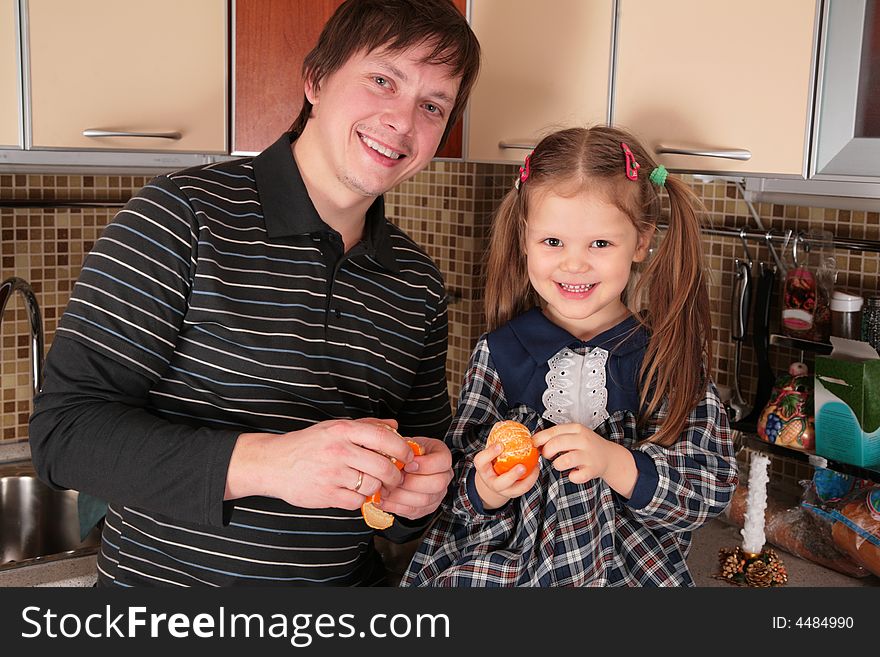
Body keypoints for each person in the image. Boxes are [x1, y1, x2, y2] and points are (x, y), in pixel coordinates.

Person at [28, 0, 480, 587]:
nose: (402, 120)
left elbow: (413, 480)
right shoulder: (181, 217)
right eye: (381, 80)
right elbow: (65, 435)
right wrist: (267, 463)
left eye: (432, 105)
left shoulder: (415, 281)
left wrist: (419, 492)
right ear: (316, 79)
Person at [401, 126, 738, 587]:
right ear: (524, 240)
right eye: (552, 242)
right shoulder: (498, 353)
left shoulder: (665, 359)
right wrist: (485, 487)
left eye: (600, 243)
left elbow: (710, 487)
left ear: (640, 242)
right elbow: (453, 485)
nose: (574, 264)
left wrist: (614, 462)